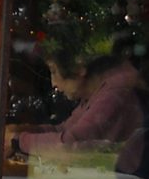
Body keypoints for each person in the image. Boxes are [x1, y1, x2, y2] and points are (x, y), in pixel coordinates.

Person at [14, 49, 147, 158]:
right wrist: (25, 130)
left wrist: (18, 142)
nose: (53, 83)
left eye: (54, 72)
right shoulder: (98, 91)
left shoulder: (115, 92)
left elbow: (72, 145)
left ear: (78, 68)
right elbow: (64, 130)